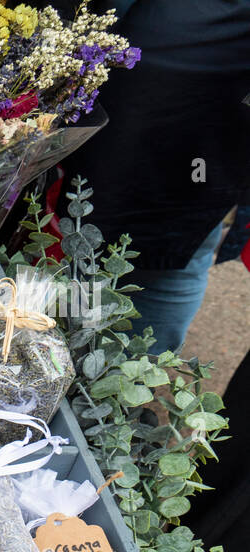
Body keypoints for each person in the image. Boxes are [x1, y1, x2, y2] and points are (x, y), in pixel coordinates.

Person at [51, 0, 250, 354]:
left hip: (192, 115)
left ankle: (103, 388)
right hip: (125, 81)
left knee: (153, 259)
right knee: (84, 241)